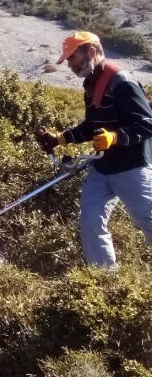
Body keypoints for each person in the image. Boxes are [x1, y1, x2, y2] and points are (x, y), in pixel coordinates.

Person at [35, 31, 152, 267]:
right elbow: (92, 125)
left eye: (73, 58)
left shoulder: (122, 81)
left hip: (132, 167)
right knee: (90, 221)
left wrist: (115, 138)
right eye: (68, 60)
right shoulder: (92, 82)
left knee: (148, 220)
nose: (70, 65)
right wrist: (60, 139)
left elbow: (147, 123)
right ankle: (105, 279)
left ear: (91, 52)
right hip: (103, 167)